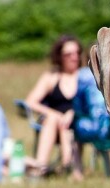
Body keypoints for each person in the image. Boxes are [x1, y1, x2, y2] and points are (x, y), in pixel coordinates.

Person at [25, 34, 84, 179]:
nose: (74, 57)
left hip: (76, 123)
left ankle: (68, 167)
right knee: (53, 120)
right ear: (59, 56)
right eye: (68, 54)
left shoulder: (85, 77)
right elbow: (30, 101)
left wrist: (73, 113)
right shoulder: (51, 77)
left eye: (77, 53)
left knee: (65, 124)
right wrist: (54, 114)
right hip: (52, 124)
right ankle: (41, 168)